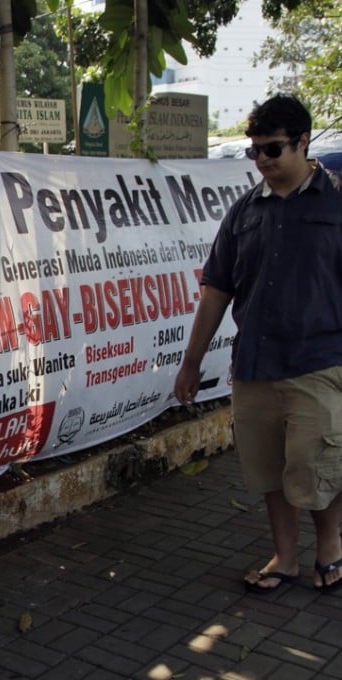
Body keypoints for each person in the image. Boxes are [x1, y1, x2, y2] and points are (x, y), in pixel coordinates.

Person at [174, 93, 342, 594]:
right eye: (255, 152)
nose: (263, 161)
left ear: (303, 142)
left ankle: (331, 551)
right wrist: (191, 362)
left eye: (273, 149)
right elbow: (216, 289)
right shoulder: (244, 211)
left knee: (317, 467)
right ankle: (285, 558)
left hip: (319, 362)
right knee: (269, 471)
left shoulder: (337, 203)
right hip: (254, 365)